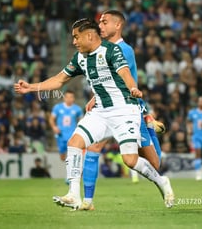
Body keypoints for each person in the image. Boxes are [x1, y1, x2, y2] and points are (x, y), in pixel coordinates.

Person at [14, 18, 174, 210]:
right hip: (100, 111)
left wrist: (133, 88)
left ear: (89, 35)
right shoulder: (80, 57)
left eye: (76, 37)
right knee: (74, 143)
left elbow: (125, 73)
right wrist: (32, 87)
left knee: (130, 160)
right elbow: (59, 80)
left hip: (124, 110)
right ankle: (74, 195)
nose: (74, 42)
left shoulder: (111, 50)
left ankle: (162, 181)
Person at [80, 10, 166, 210]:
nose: (100, 26)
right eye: (99, 22)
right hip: (108, 108)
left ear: (118, 25)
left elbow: (124, 80)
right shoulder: (102, 48)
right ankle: (87, 200)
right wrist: (97, 97)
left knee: (154, 164)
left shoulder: (123, 49)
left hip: (129, 109)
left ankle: (150, 128)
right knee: (93, 148)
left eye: (105, 22)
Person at [48, 90, 83, 162]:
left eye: (71, 97)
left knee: (73, 155)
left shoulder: (77, 109)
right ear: (64, 98)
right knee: (62, 157)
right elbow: (51, 119)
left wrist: (79, 130)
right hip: (61, 134)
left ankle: (71, 170)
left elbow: (82, 120)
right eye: (67, 97)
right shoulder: (57, 107)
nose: (69, 99)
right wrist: (54, 127)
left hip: (72, 134)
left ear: (74, 98)